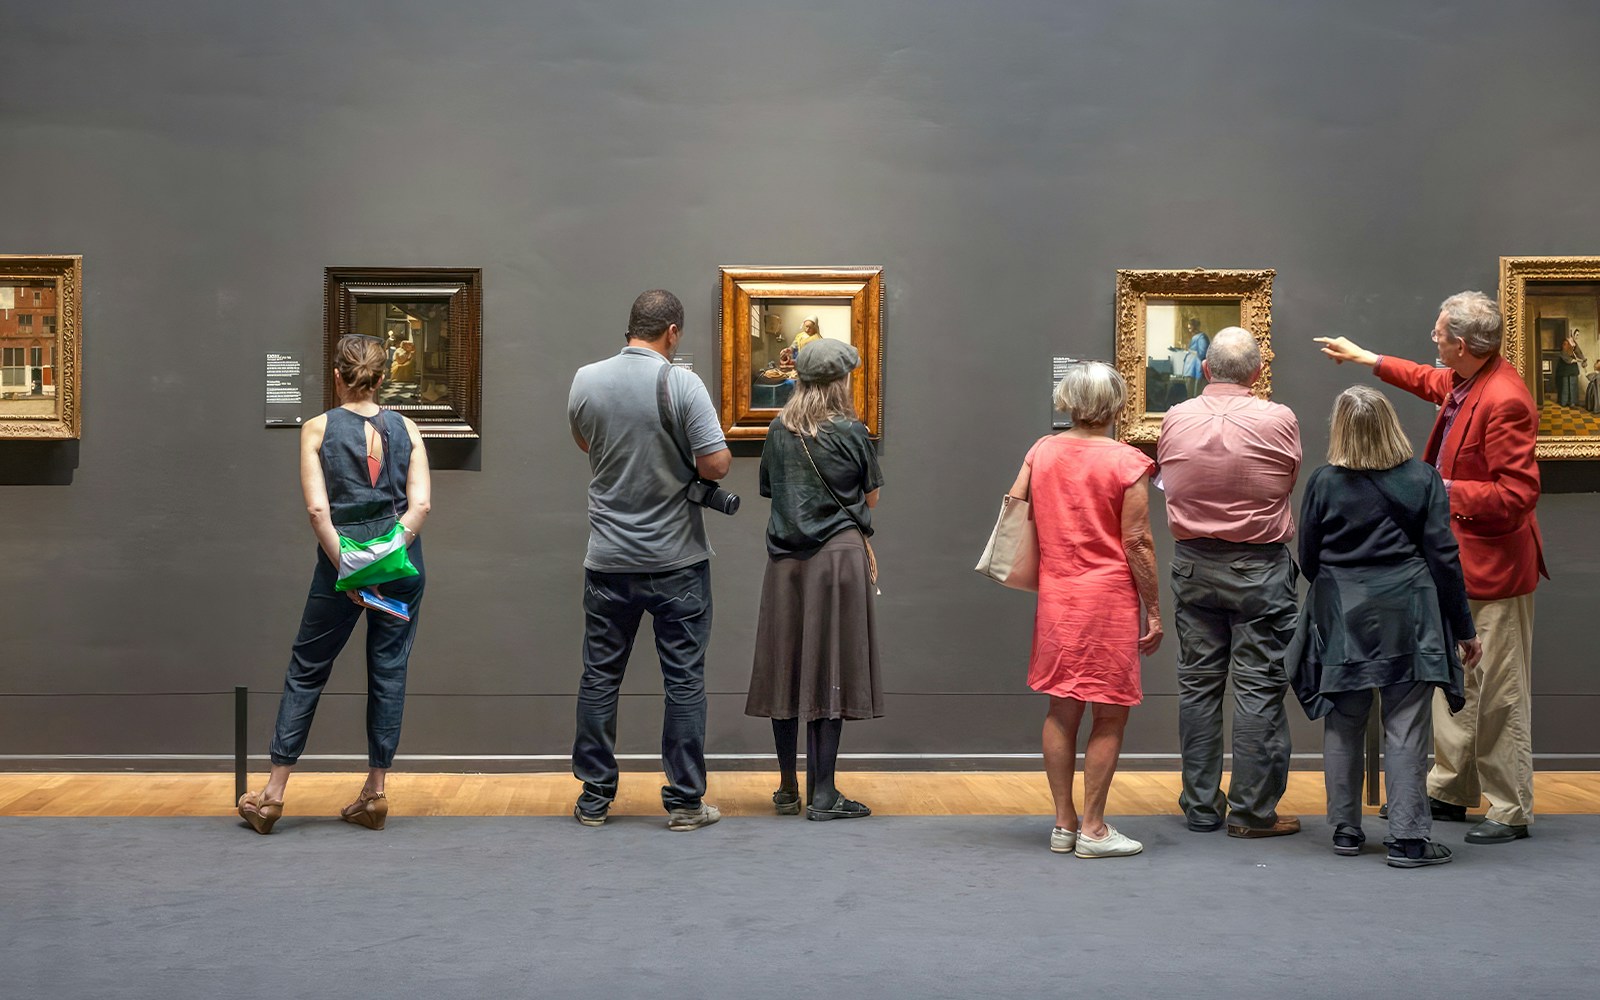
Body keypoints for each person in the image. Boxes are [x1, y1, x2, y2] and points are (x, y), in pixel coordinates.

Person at [1316, 290, 1546, 844]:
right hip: (1456, 564)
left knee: (1498, 692)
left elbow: (1517, 495)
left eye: (1439, 335)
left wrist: (1435, 491)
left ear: (1461, 344)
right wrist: (1366, 358)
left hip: (1493, 569)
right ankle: (1450, 790)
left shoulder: (1504, 399)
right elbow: (1427, 378)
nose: (1433, 341)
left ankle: (1510, 808)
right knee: (1458, 682)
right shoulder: (1469, 379)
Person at [237, 334, 432, 835]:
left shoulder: (318, 427)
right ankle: (375, 792)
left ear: (339, 378)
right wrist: (390, 551)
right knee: (389, 668)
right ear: (383, 378)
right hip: (401, 569)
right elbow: (421, 506)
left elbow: (318, 509)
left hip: (339, 565)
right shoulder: (408, 427)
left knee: (307, 669)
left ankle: (273, 795)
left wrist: (348, 565)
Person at [1290, 386, 1483, 867]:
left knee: (1343, 720)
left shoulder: (1323, 482)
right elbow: (1444, 558)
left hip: (1342, 614)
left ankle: (1346, 830)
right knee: (1406, 726)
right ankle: (1408, 839)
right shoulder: (1423, 479)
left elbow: (1309, 557)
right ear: (1390, 424)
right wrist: (1464, 628)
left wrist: (1345, 588)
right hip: (1409, 615)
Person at [567, 289, 732, 831]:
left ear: (631, 326)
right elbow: (717, 466)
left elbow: (585, 443)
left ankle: (593, 800)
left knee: (599, 678)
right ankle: (685, 803)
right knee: (683, 682)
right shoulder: (682, 383)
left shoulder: (585, 379)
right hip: (676, 562)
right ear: (673, 333)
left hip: (608, 560)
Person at [1007, 361, 1160, 858]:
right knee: (1109, 715)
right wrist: (1154, 609)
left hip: (1058, 597)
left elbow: (1014, 506)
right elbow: (1137, 542)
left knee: (1060, 707)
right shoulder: (1128, 462)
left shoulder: (1042, 450)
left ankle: (1063, 823)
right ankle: (1093, 828)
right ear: (1116, 405)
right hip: (1109, 599)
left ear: (1068, 402)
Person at [1155, 327, 1302, 838]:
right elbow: (1287, 481)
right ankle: (1252, 812)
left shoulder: (1175, 417)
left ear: (1206, 369)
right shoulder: (1278, 417)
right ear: (1258, 374)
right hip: (1259, 568)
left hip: (1193, 565)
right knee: (1258, 688)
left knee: (1197, 686)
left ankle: (1199, 805)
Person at [746, 339, 883, 821]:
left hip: (785, 563)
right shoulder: (851, 431)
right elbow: (872, 498)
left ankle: (787, 787)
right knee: (830, 670)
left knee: (786, 666)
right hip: (838, 560)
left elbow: (770, 490)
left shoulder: (778, 431)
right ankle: (823, 793)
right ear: (841, 381)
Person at [1183, 318, 1210, 397]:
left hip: (1195, 369)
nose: (1189, 330)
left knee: (1195, 393)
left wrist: (1189, 351)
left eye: (1190, 328)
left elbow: (1202, 353)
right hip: (1190, 369)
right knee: (1189, 393)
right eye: (1188, 329)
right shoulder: (1195, 337)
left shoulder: (1202, 337)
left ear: (1195, 327)